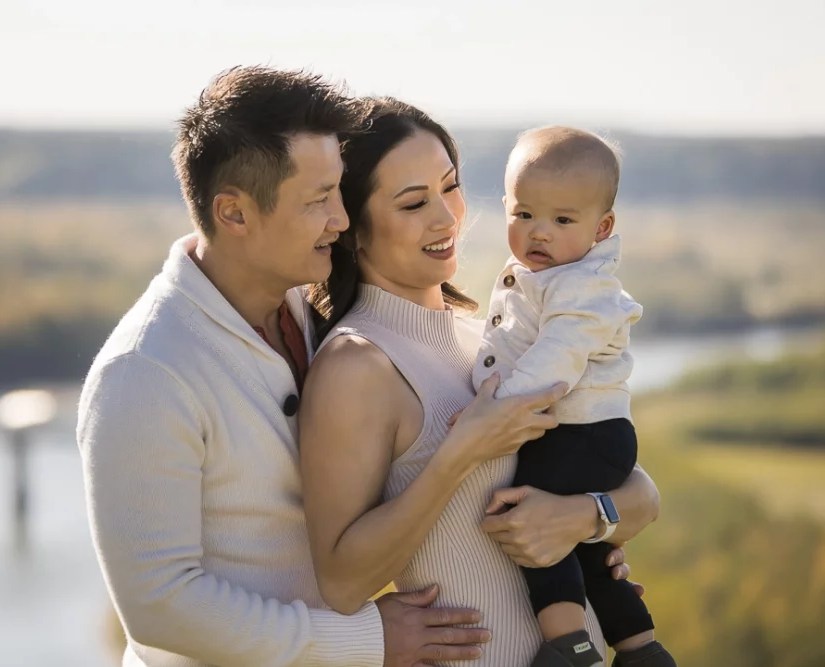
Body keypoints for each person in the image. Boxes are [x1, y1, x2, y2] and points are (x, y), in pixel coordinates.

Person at [78, 66, 592, 667]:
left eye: (339, 194)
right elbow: (158, 608)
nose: (341, 221)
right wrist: (369, 640)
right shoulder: (145, 372)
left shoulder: (305, 310)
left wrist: (591, 524)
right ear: (235, 214)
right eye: (320, 200)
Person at [300, 99, 661, 667]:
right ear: (354, 227)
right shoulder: (357, 364)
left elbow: (640, 491)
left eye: (450, 188)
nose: (447, 218)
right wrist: (460, 452)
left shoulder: (488, 340)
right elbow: (342, 583)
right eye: (415, 202)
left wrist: (585, 520)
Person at [469, 127, 676, 667]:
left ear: (601, 227)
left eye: (562, 221)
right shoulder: (549, 275)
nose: (539, 233)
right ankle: (640, 647)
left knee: (539, 527)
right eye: (523, 215)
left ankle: (569, 647)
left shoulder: (584, 286)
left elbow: (554, 362)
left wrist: (496, 412)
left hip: (587, 436)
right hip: (581, 436)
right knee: (592, 552)